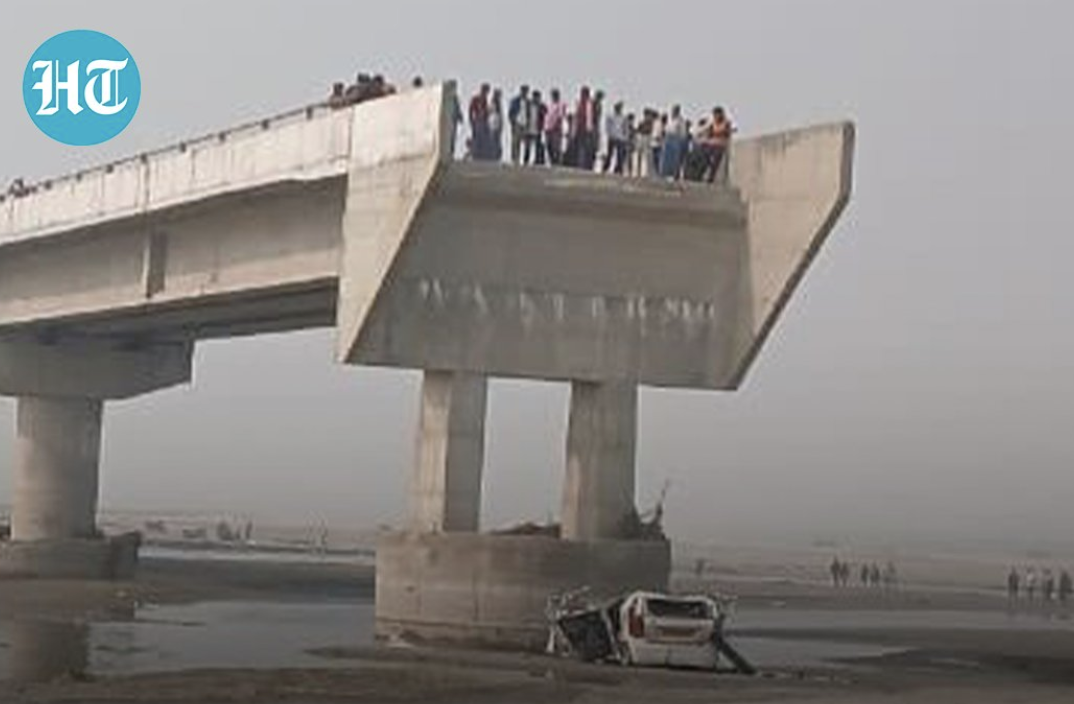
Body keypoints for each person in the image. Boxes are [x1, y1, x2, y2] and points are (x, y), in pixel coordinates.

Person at [570, 87, 597, 170]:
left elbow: (594, 117)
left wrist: (593, 129)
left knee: (587, 147)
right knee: (579, 146)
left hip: (588, 128)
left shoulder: (591, 103)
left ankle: (585, 164)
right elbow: (575, 115)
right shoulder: (578, 102)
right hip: (579, 127)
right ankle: (579, 164)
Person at [660, 105, 688, 179]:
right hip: (668, 139)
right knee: (667, 159)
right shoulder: (670, 120)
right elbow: (667, 129)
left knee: (675, 159)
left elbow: (683, 133)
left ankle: (674, 175)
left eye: (675, 110)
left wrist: (681, 141)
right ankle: (666, 174)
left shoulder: (680, 120)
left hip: (676, 140)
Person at [602, 102, 630, 175]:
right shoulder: (610, 116)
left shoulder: (623, 117)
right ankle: (605, 168)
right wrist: (609, 134)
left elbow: (625, 128)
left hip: (620, 138)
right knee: (610, 154)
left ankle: (618, 169)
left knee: (620, 155)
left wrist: (625, 138)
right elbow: (607, 127)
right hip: (612, 137)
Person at [543, 89, 568, 166]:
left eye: (555, 95)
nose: (554, 97)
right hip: (548, 128)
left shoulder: (561, 105)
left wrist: (557, 125)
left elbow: (560, 116)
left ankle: (557, 163)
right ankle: (551, 162)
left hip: (556, 129)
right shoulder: (549, 105)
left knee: (555, 147)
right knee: (548, 146)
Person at [508, 85, 531, 165]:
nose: (525, 93)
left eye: (526, 91)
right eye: (524, 91)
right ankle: (514, 159)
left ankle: (525, 160)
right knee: (515, 142)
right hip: (517, 123)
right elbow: (510, 112)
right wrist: (512, 122)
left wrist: (528, 123)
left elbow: (529, 114)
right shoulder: (515, 100)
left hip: (525, 124)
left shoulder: (528, 102)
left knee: (525, 143)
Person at [469, 84, 491, 160]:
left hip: (483, 121)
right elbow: (471, 110)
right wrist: (472, 121)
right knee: (476, 138)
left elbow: (486, 112)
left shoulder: (485, 100)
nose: (486, 93)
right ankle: (475, 154)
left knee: (483, 138)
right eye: (485, 91)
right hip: (477, 121)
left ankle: (481, 154)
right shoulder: (476, 99)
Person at [523, 90, 546, 165]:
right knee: (527, 147)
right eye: (536, 97)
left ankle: (537, 161)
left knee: (537, 147)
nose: (537, 99)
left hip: (537, 129)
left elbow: (546, 111)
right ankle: (526, 161)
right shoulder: (528, 105)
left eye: (538, 98)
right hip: (528, 128)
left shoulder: (541, 106)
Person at [489, 89, 505, 162]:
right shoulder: (493, 102)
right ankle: (493, 155)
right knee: (494, 141)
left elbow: (500, 115)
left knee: (497, 140)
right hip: (493, 124)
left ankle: (497, 155)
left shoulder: (499, 104)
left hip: (498, 124)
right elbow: (491, 113)